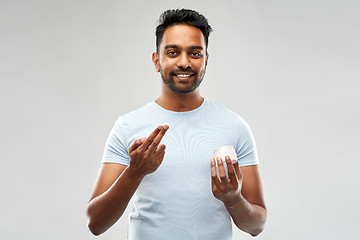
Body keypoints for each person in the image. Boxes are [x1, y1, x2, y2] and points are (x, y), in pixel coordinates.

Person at [86, 8, 267, 240]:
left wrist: (233, 198)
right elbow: (95, 224)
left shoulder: (234, 126)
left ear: (206, 60)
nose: (184, 62)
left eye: (195, 53)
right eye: (172, 52)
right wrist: (135, 172)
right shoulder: (127, 126)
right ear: (156, 60)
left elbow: (256, 226)